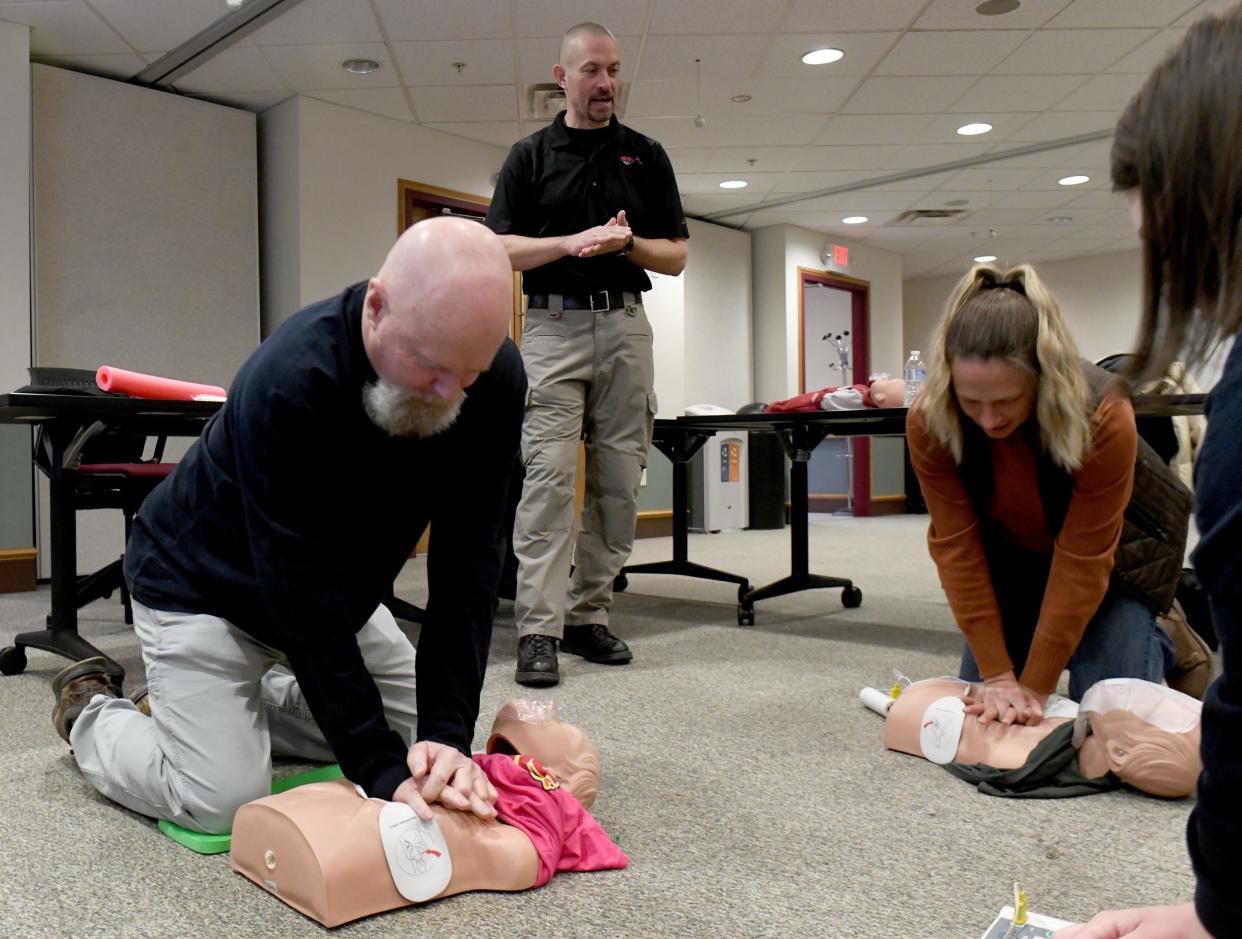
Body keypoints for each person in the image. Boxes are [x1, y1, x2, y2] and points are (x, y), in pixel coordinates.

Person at [48, 217, 527, 835]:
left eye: (469, 374)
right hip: (201, 588)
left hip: (337, 590)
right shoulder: (292, 378)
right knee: (223, 801)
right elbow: (299, 591)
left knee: (424, 747)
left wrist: (447, 735)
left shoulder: (494, 378)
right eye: (430, 365)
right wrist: (375, 769)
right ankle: (93, 710)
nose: (448, 394)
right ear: (377, 308)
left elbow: (471, 559)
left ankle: (206, 709)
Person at [1055, 5, 1242, 937]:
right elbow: (963, 545)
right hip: (1060, 568)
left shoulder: (1112, 420)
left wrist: (1220, 910)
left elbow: (1095, 554)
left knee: (1133, 707)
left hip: (1137, 572)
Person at [906, 262, 1202, 729]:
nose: (988, 420)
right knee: (981, 711)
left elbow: (1084, 556)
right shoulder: (929, 419)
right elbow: (956, 547)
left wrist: (1037, 686)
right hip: (1011, 559)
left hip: (1118, 562)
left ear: (1042, 378)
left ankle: (1165, 631)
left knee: (1105, 715)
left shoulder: (1104, 412)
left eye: (1005, 401)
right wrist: (1000, 675)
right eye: (971, 402)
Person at [484, 21, 689, 688]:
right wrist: (572, 243)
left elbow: (678, 254)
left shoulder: (645, 156)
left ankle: (588, 614)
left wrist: (625, 246)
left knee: (618, 481)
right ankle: (538, 630)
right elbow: (500, 248)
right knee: (546, 481)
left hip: (626, 328)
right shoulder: (530, 157)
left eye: (614, 70)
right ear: (563, 76)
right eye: (593, 70)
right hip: (551, 330)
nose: (606, 83)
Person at [229, 700, 626, 928]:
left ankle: (265, 704)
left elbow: (519, 863)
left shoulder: (534, 824)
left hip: (343, 848)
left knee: (382, 824)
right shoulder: (497, 785)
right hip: (266, 599)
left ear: (559, 781)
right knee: (367, 786)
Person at [878, 676, 1202, 800]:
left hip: (921, 703)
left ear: (1118, 753)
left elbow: (917, 713)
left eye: (1152, 712)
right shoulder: (1082, 726)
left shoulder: (1019, 754)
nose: (1144, 692)